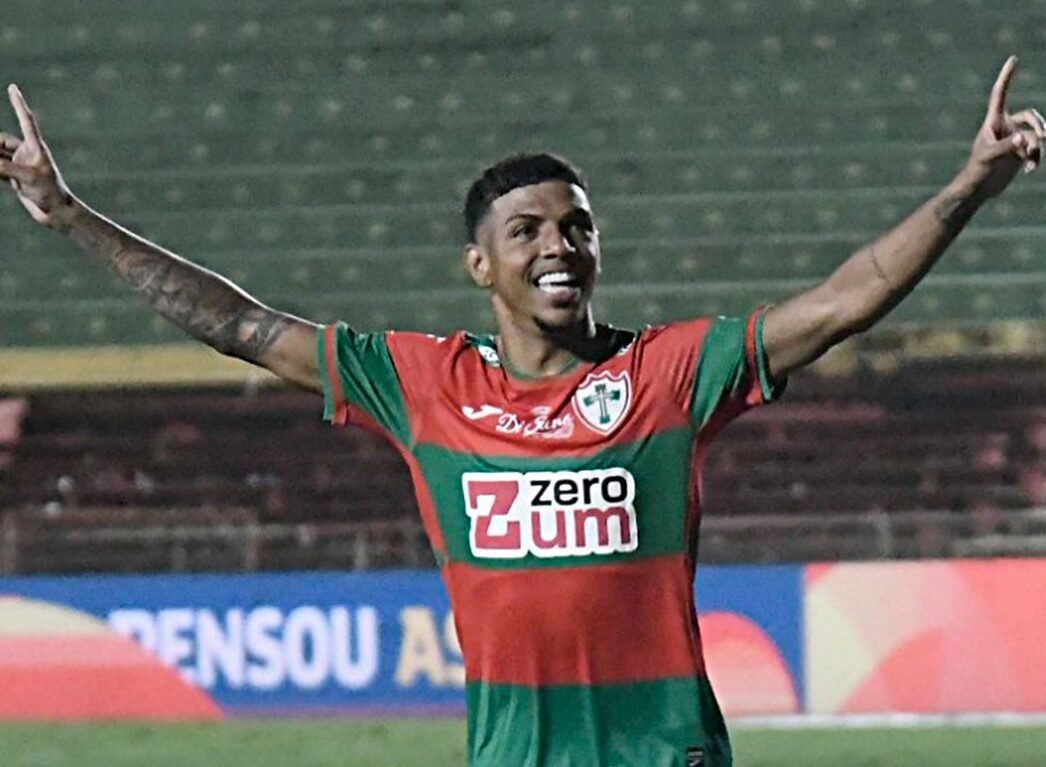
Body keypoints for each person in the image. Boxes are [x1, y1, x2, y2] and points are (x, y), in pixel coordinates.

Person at [1, 56, 1042, 767]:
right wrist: (69, 215)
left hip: (665, 752)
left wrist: (967, 188)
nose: (557, 246)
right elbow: (239, 322)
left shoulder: (669, 372)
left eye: (576, 227)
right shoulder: (421, 383)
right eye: (528, 229)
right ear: (479, 263)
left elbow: (844, 299)